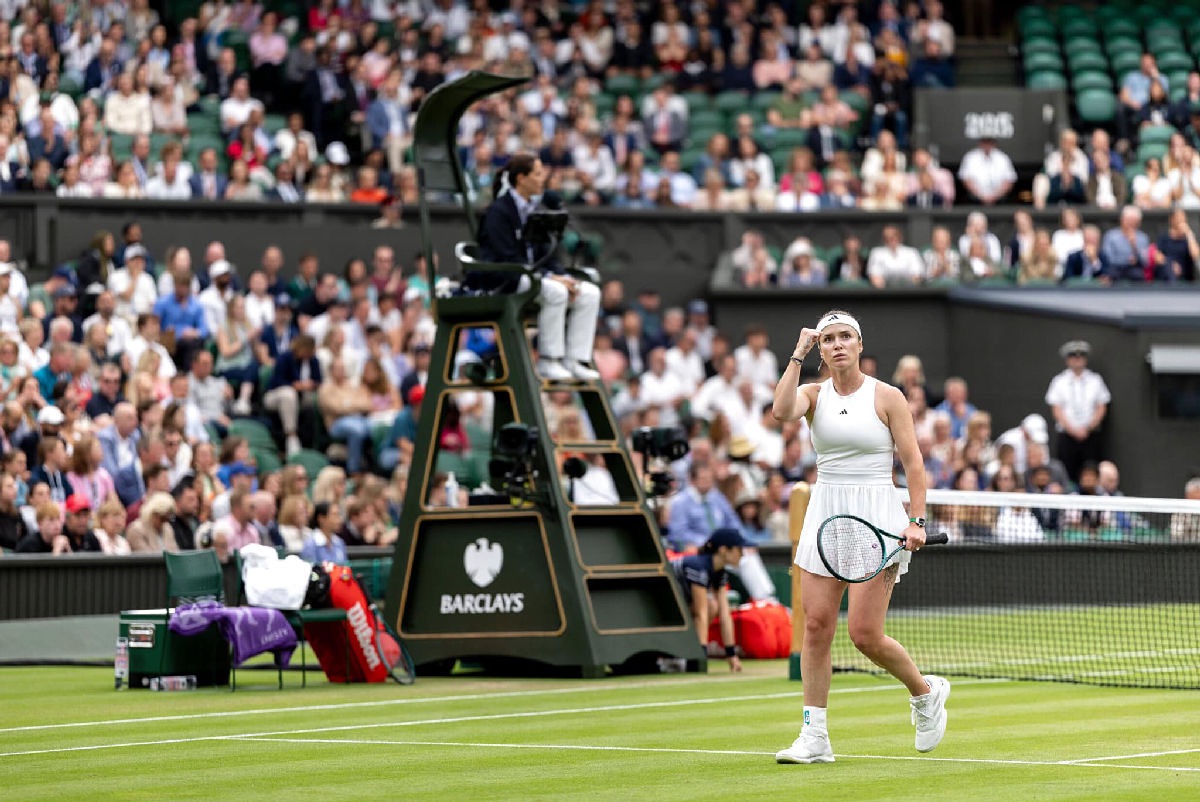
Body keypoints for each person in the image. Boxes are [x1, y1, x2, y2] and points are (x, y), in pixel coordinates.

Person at [772, 310, 947, 763]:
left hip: (877, 515)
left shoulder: (888, 396)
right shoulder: (811, 394)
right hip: (825, 513)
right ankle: (815, 737)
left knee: (865, 635)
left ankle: (925, 693)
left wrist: (918, 521)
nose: (837, 345)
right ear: (821, 349)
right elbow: (780, 411)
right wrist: (798, 353)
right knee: (815, 627)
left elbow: (913, 465)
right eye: (828, 339)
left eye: (845, 336)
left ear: (859, 344)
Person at [465, 153, 600, 382]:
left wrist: (563, 276)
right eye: (537, 173)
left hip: (535, 277)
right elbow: (504, 257)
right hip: (506, 278)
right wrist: (550, 277)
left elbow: (548, 253)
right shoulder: (499, 212)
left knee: (588, 293)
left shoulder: (537, 209)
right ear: (521, 178)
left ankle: (576, 360)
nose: (543, 178)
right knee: (555, 291)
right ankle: (549, 360)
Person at [669, 528, 747, 673]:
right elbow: (700, 614)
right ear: (724, 550)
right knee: (709, 606)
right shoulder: (697, 566)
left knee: (713, 606)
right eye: (739, 549)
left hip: (677, 608)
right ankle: (682, 656)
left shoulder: (720, 572)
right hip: (663, 610)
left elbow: (725, 615)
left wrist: (731, 654)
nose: (742, 554)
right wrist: (701, 657)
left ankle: (685, 654)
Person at [1045, 340, 1111, 484]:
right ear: (1068, 360)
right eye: (1073, 356)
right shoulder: (1059, 381)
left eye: (1081, 356)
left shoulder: (1095, 380)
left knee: (1092, 470)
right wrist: (1073, 430)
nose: (1077, 359)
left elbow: (1101, 406)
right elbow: (1056, 409)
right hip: (1067, 436)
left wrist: (1087, 428)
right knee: (1067, 472)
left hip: (1090, 436)